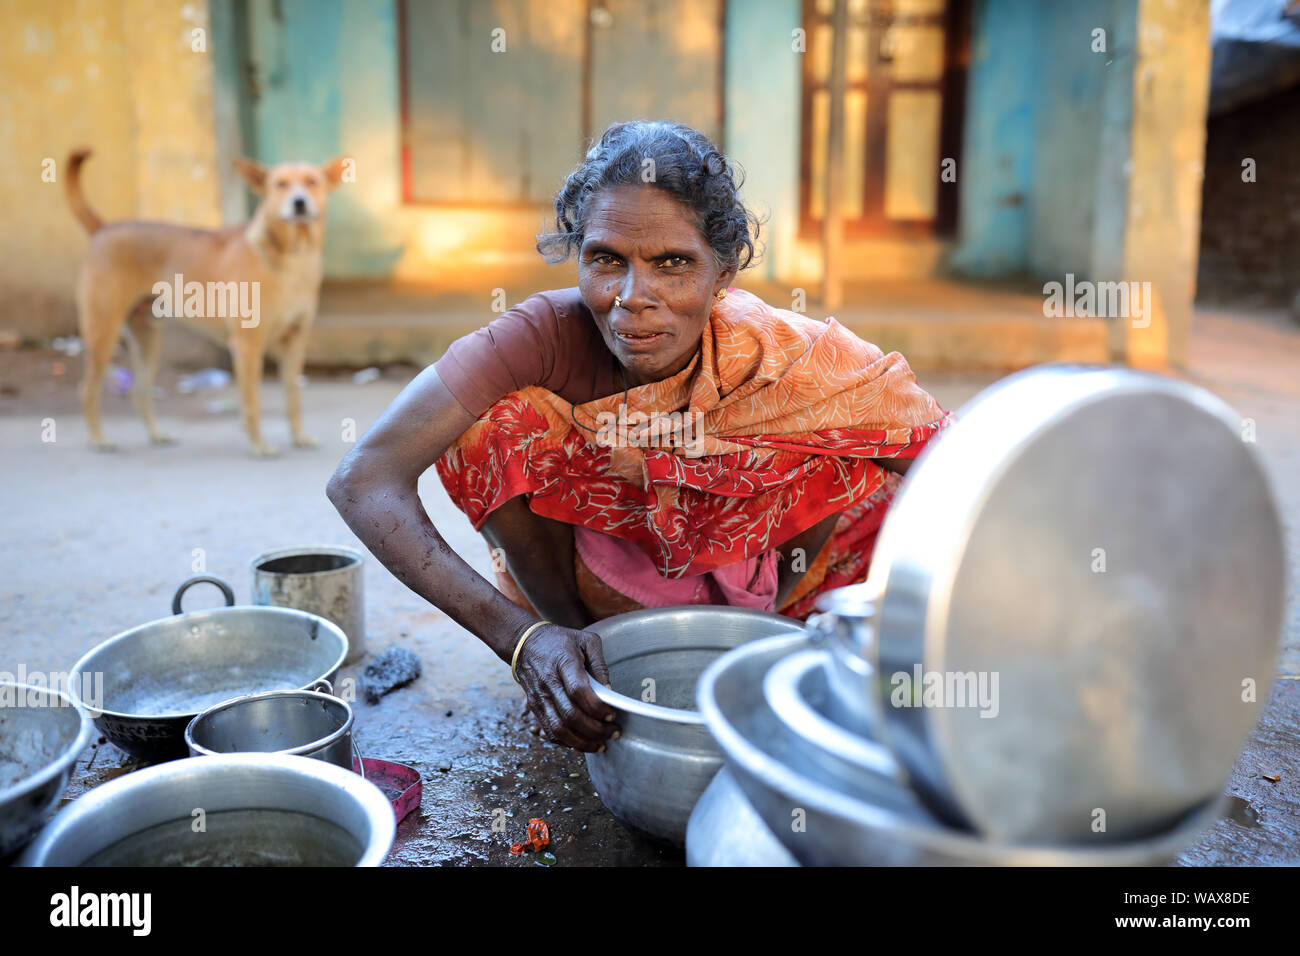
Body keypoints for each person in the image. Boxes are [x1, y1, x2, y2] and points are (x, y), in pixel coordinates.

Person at [327, 120, 950, 754]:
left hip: (767, 582)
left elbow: (957, 466)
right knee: (491, 425)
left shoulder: (793, 361)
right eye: (606, 260)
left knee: (852, 452)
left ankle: (766, 639)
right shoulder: (542, 335)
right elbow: (364, 480)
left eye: (672, 264)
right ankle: (579, 655)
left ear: (723, 272)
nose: (632, 298)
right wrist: (523, 640)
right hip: (591, 586)